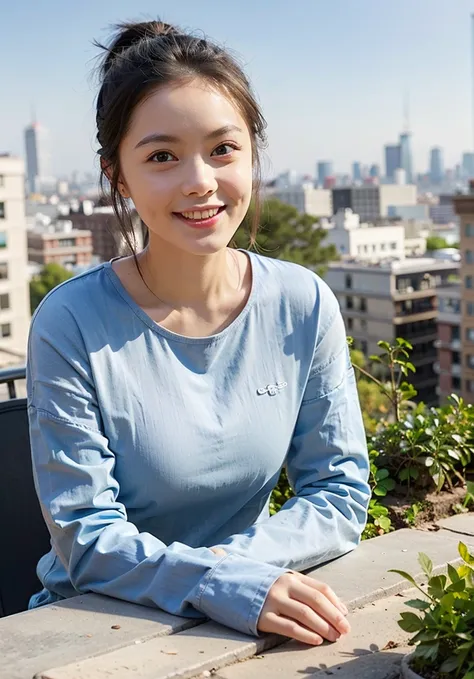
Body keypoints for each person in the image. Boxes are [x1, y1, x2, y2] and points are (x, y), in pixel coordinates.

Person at [26, 19, 370, 647]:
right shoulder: (69, 322)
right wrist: (222, 583)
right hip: (95, 626)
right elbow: (86, 536)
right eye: (162, 156)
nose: (199, 181)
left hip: (256, 609)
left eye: (222, 149)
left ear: (253, 154)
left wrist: (237, 576)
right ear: (118, 177)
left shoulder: (303, 302)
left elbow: (338, 491)